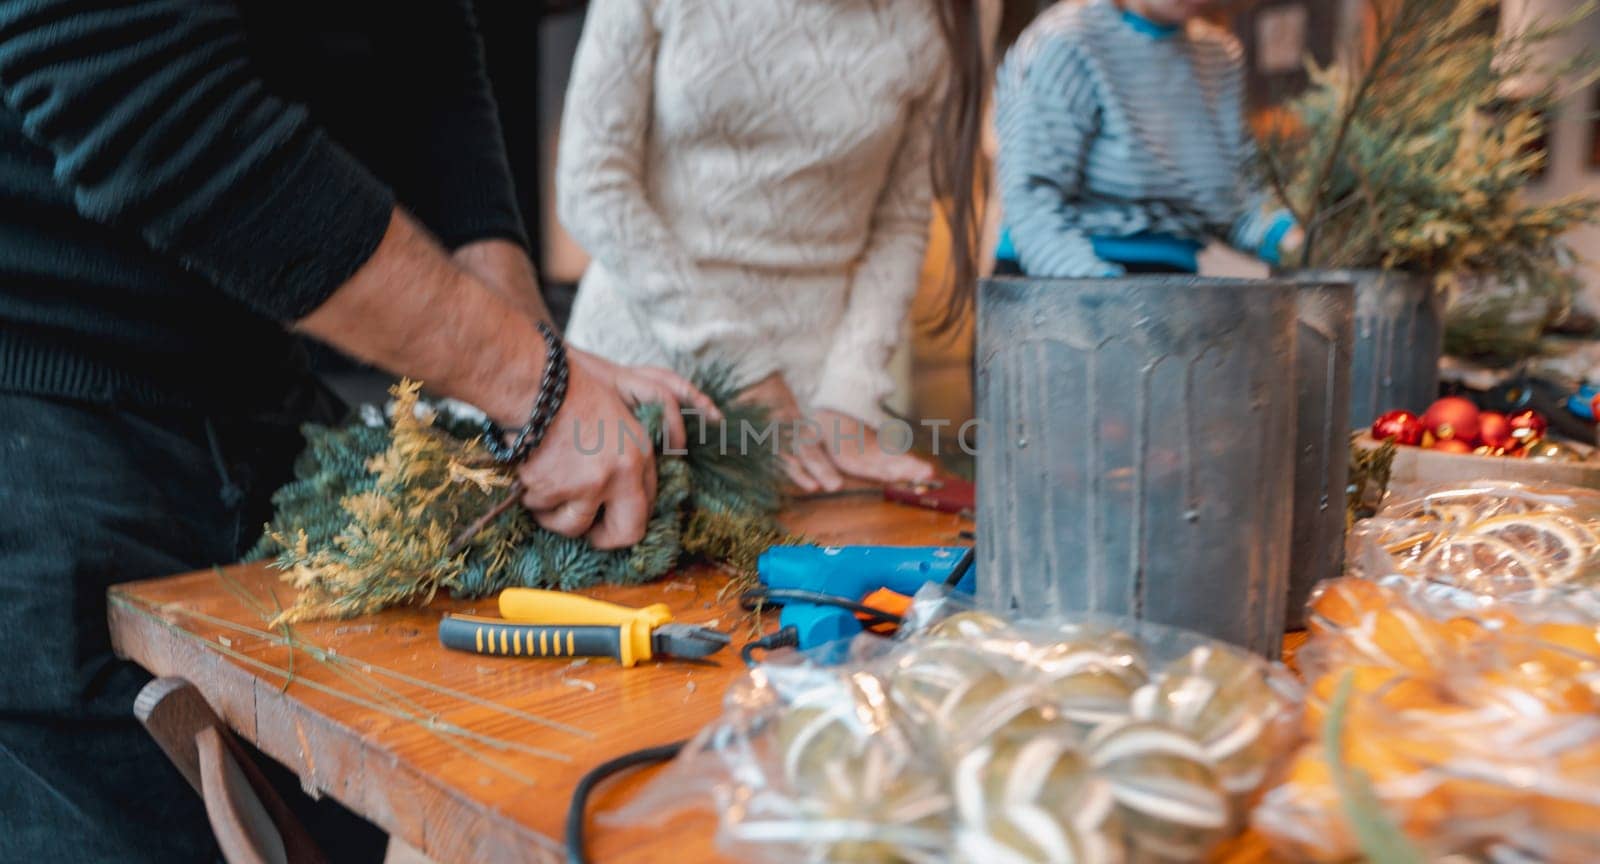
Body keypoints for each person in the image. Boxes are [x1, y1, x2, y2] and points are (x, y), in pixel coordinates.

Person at [0, 1, 714, 861]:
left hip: (262, 398)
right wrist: (531, 384)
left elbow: (429, 52)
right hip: (44, 425)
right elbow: (133, 91)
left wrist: (530, 358)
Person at [555, 0, 988, 492]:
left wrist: (849, 395)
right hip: (635, 376)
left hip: (813, 422)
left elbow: (900, 225)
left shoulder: (929, 20)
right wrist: (745, 371)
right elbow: (590, 183)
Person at [993, 0, 1303, 278]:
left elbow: (1239, 200)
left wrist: (1295, 240)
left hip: (1167, 286)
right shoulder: (1066, 43)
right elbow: (1030, 197)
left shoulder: (1219, 58)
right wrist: (1098, 295)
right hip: (1056, 275)